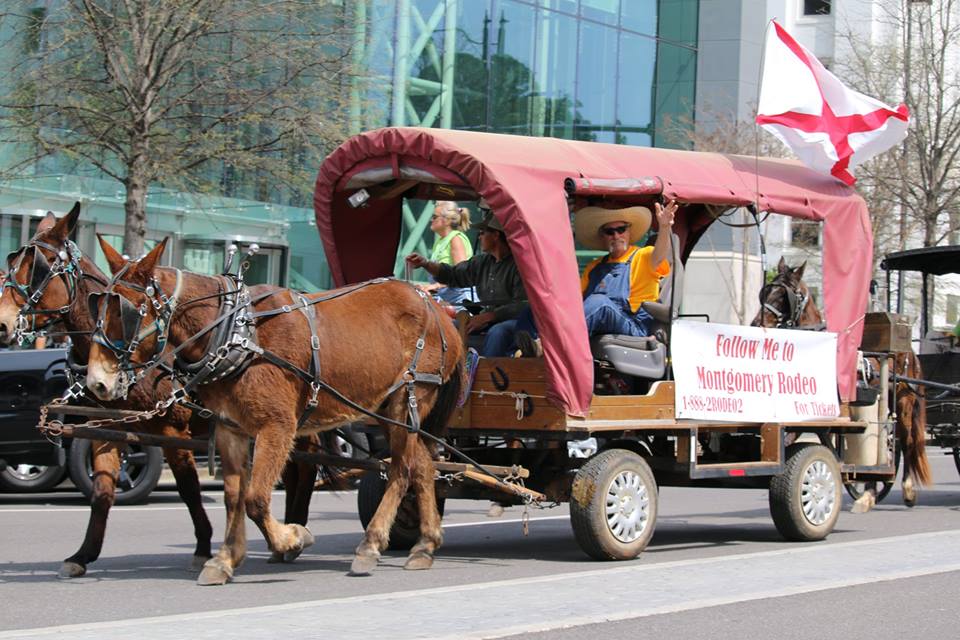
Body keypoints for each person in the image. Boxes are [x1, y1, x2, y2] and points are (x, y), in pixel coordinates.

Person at [406, 209, 527, 357]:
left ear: (496, 235)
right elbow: (453, 275)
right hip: (488, 320)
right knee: (447, 328)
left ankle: (487, 375)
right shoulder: (482, 262)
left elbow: (523, 305)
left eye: (482, 232)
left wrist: (491, 316)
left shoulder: (520, 265)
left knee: (498, 332)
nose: (479, 236)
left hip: (518, 323)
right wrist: (425, 263)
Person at [575, 200, 678, 337]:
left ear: (629, 231)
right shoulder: (594, 266)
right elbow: (576, 301)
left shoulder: (644, 255)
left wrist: (664, 227)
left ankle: (557, 342)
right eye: (609, 231)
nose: (616, 236)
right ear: (602, 236)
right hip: (600, 326)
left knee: (599, 302)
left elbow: (659, 256)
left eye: (621, 229)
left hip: (634, 326)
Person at [419, 200, 474, 308]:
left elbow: (461, 275)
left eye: (434, 217)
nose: (431, 219)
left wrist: (436, 286)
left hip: (460, 302)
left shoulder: (455, 239)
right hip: (447, 300)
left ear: (447, 221)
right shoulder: (441, 241)